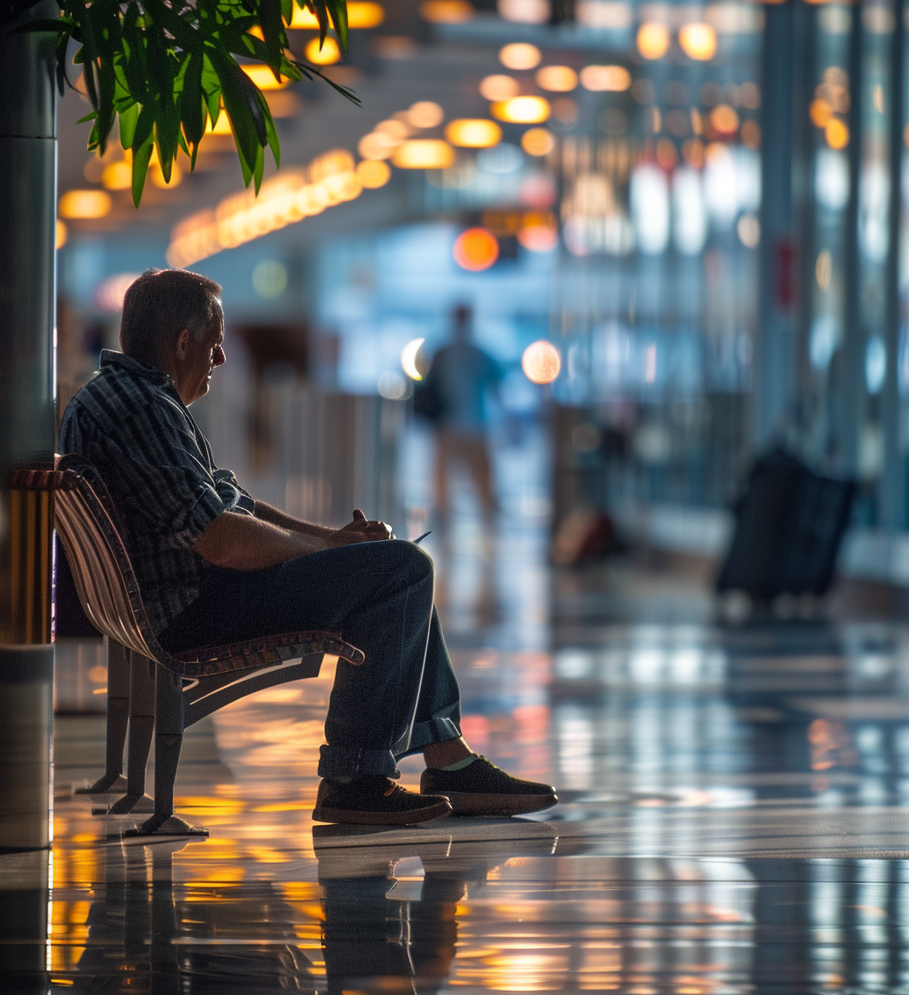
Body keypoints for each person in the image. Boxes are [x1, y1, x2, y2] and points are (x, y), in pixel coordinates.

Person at [59, 269, 556, 826]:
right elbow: (221, 538)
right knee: (403, 570)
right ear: (182, 342)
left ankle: (446, 758)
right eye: (216, 343)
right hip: (193, 607)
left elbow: (232, 501)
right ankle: (356, 778)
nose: (221, 359)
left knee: (390, 564)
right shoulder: (143, 408)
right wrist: (322, 555)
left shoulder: (130, 397)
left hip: (173, 599)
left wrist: (334, 542)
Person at [427, 304, 502, 531]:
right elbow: (497, 383)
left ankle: (444, 514)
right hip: (472, 423)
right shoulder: (477, 353)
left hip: (450, 424)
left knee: (444, 475)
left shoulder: (442, 353)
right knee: (480, 475)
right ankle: (483, 513)